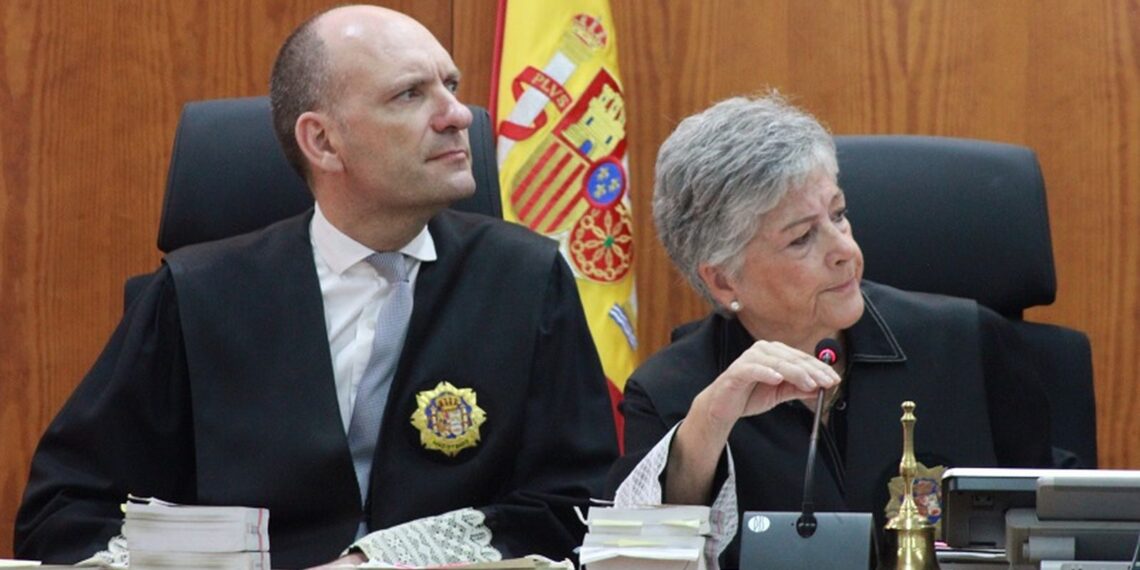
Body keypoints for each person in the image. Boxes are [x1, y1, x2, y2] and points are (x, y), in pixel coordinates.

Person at [14, 5, 617, 568]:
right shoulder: (198, 295)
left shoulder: (526, 279)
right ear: (323, 141)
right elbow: (66, 509)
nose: (456, 115)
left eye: (451, 85)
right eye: (410, 94)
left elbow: (577, 503)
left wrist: (378, 561)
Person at [607, 93, 1054, 569]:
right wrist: (706, 429)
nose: (844, 249)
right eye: (802, 238)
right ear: (723, 280)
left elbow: (1062, 523)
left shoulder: (965, 343)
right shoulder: (671, 394)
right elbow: (641, 560)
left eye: (838, 214)